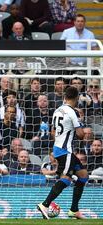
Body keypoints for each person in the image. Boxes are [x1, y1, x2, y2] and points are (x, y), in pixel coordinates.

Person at [37, 86, 87, 220]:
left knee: (83, 176)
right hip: (66, 151)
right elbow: (80, 134)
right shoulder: (73, 112)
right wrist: (82, 128)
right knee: (66, 178)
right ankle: (45, 204)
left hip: (59, 149)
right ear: (76, 98)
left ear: (65, 96)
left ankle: (74, 210)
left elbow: (53, 132)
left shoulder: (57, 110)